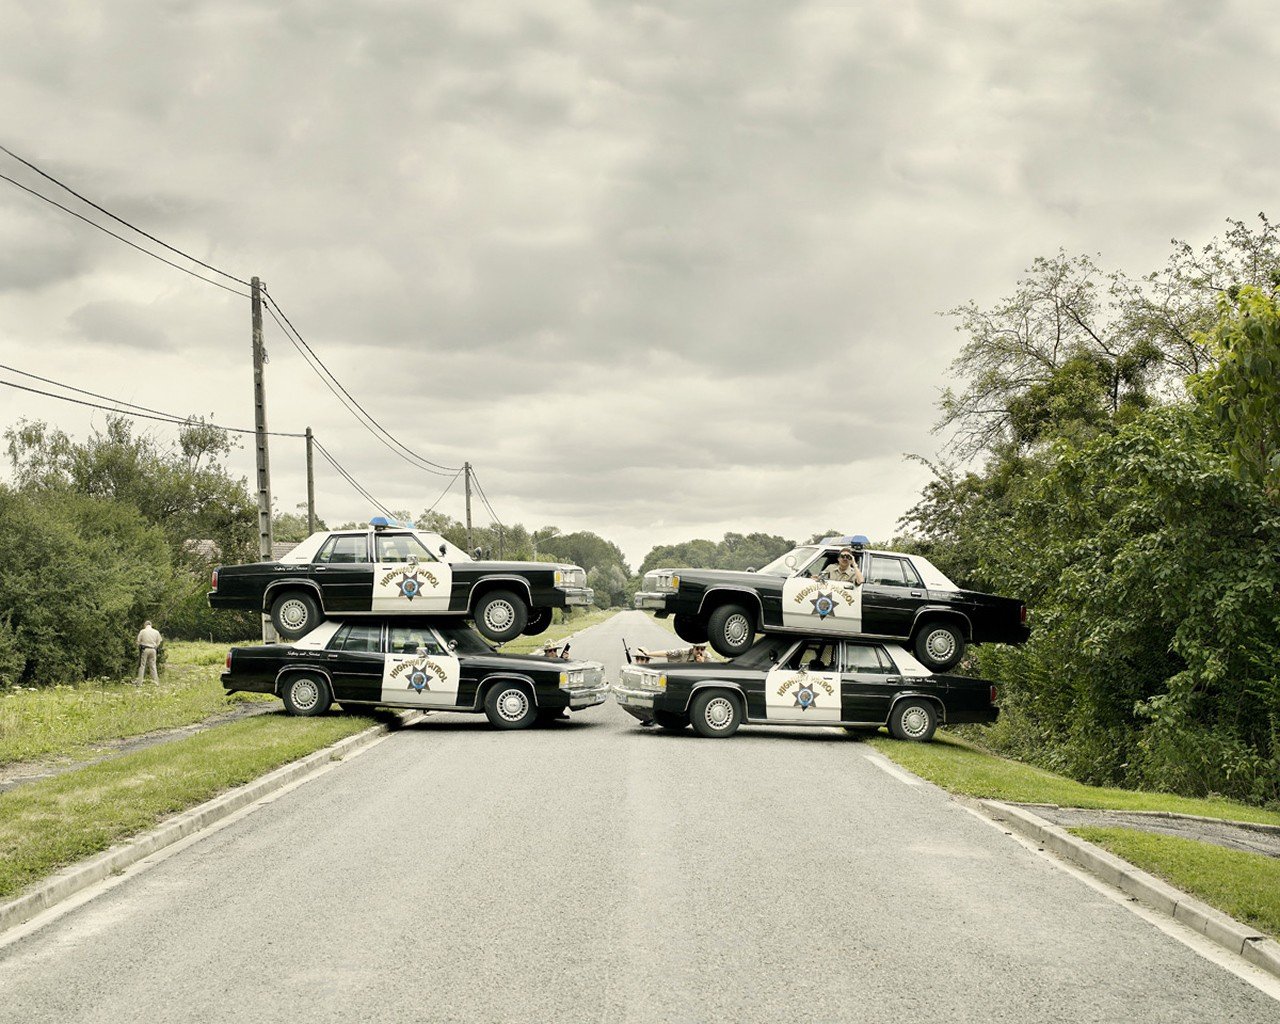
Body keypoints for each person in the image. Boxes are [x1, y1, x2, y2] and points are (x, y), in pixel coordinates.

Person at [634, 643, 711, 663]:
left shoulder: (708, 657)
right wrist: (649, 654)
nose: (700, 651)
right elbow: (667, 653)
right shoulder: (683, 652)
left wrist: (703, 663)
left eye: (702, 649)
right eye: (697, 648)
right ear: (693, 648)